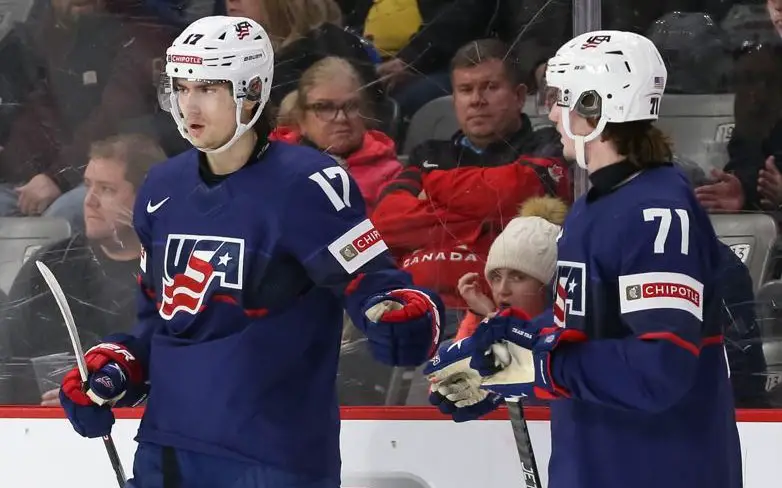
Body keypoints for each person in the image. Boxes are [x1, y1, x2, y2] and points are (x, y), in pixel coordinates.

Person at [55, 16, 443, 488]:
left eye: (210, 88)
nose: (189, 104)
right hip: (168, 449)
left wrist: (401, 315)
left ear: (253, 91)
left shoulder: (307, 184)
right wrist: (117, 367)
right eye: (181, 87)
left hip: (272, 454)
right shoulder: (163, 186)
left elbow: (375, 287)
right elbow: (160, 320)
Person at [423, 30, 743, 488]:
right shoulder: (599, 202)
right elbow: (586, 330)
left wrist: (538, 366)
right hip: (593, 462)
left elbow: (659, 370)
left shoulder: (656, 212)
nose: (551, 113)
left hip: (658, 467)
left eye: (560, 99)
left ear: (593, 107)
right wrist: (506, 359)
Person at [0, 134, 164, 405]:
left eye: (107, 189)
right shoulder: (52, 265)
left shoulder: (177, 272)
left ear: (147, 198)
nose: (89, 201)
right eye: (88, 185)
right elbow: (8, 362)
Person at [270, 56, 402, 214]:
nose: (341, 118)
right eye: (324, 107)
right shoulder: (269, 161)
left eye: (351, 106)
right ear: (301, 117)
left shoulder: (390, 174)